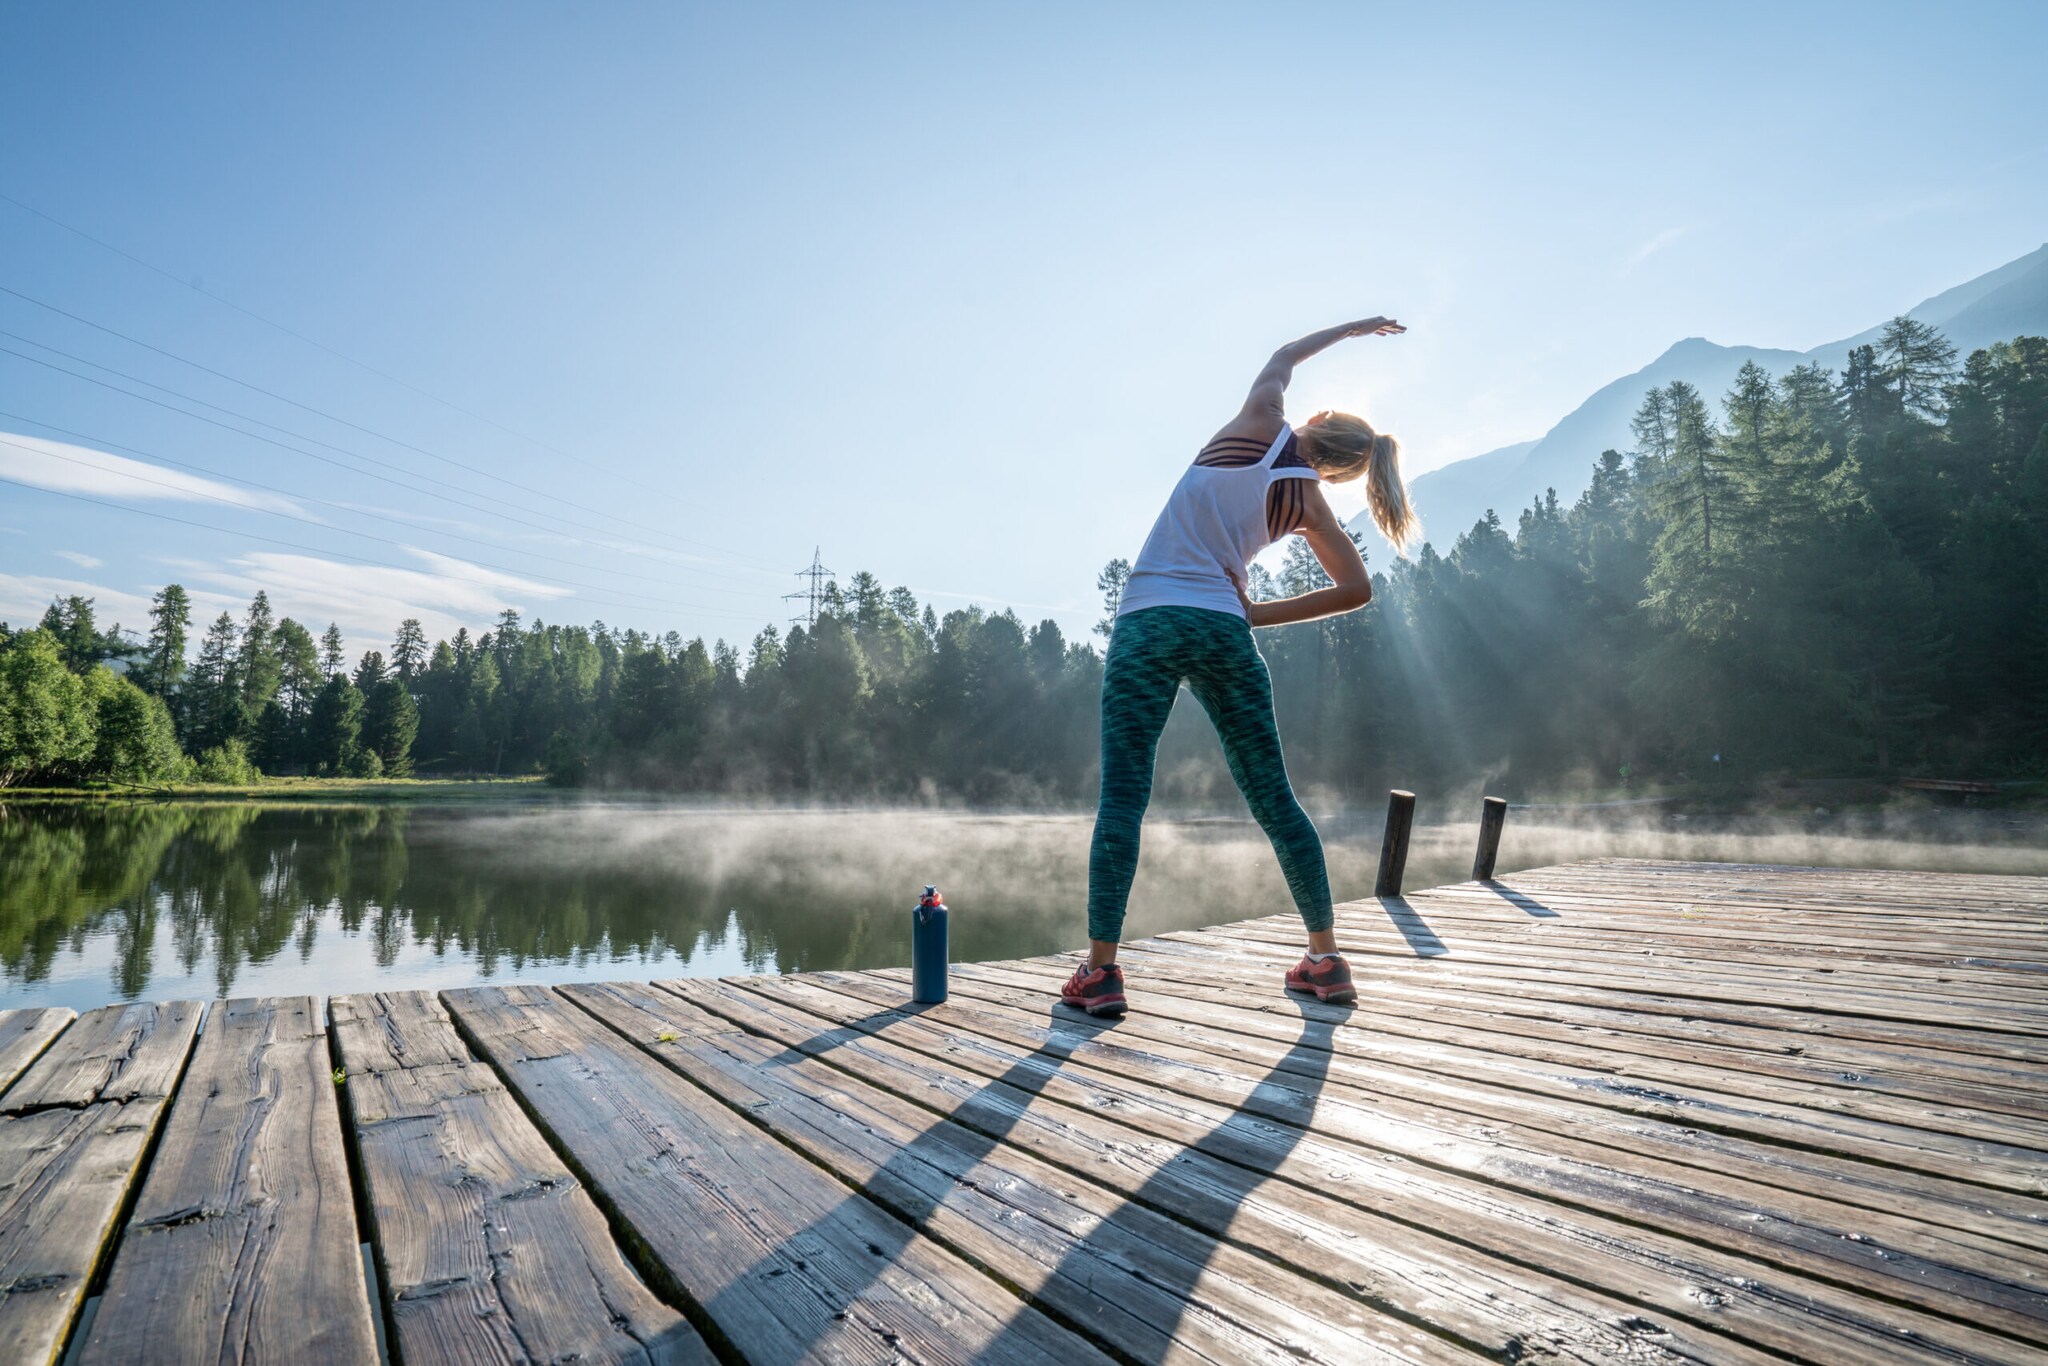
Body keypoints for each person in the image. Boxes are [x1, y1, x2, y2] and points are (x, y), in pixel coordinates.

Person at [1062, 317, 1419, 1017]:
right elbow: (1357, 589)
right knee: (1275, 799)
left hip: (1148, 621)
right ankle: (1325, 959)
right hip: (1224, 631)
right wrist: (1256, 615)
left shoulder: (1260, 419)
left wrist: (1353, 330)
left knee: (1125, 798)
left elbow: (1284, 354)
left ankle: (1101, 973)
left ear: (1314, 418)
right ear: (1343, 472)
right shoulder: (1308, 500)